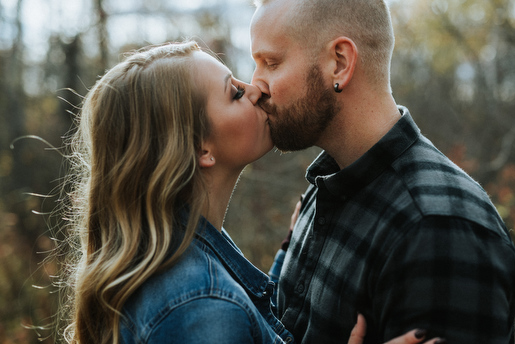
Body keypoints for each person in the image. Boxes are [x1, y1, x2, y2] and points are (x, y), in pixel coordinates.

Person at [58, 40, 442, 344]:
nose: (256, 89)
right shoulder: (203, 306)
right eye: (234, 94)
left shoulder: (182, 249)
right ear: (200, 149)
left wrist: (290, 248)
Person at [250, 0, 515, 344]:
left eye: (272, 62)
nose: (255, 85)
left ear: (340, 63)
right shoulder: (324, 191)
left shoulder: (436, 230)